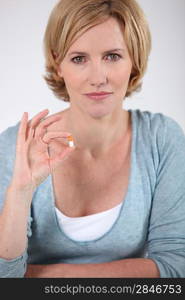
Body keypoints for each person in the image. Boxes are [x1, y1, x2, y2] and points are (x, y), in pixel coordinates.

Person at [0, 0, 185, 278]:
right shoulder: (16, 146)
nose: (98, 78)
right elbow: (5, 278)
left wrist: (51, 276)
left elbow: (175, 266)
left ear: (134, 59)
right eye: (78, 58)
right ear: (58, 63)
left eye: (112, 56)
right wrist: (21, 192)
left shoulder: (161, 138)